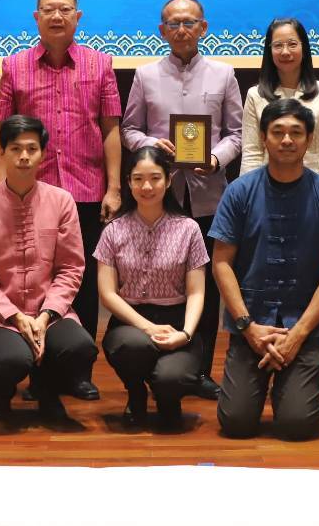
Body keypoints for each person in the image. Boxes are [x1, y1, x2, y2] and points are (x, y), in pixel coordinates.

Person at [0, 0, 121, 400]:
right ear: (36, 17)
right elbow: (2, 134)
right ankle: (38, 373)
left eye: (65, 9)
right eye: (49, 9)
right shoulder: (14, 66)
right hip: (32, 193)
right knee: (33, 280)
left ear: (77, 17)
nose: (57, 16)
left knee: (81, 281)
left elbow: (110, 129)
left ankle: (78, 372)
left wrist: (114, 187)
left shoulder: (100, 64)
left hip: (86, 190)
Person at [210, 97, 319, 441]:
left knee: (297, 425)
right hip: (251, 323)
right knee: (235, 423)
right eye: (278, 132)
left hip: (304, 327)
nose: (287, 140)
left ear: (310, 139)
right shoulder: (239, 192)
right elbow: (221, 263)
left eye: (296, 132)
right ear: (263, 137)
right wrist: (247, 327)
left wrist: (298, 335)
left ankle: (294, 390)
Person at [120, 0, 240, 400]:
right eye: (174, 23)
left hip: (209, 196)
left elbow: (237, 134)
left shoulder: (223, 74)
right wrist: (151, 145)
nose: (182, 30)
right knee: (160, 280)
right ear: (162, 30)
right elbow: (129, 130)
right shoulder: (145, 75)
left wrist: (217, 158)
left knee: (205, 286)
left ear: (203, 27)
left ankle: (199, 370)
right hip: (158, 195)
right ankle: (158, 362)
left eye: (189, 22)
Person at [0, 115, 98, 422]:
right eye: (15, 148)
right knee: (12, 359)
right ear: (1, 152)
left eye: (32, 149)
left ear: (43, 153)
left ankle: (47, 389)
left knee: (80, 348)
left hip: (50, 311)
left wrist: (46, 315)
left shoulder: (62, 201)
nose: (24, 156)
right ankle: (1, 392)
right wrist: (16, 316)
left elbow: (71, 268)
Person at [94, 147, 208, 429]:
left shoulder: (189, 229)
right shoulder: (113, 230)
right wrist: (148, 328)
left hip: (177, 321)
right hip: (130, 323)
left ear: (168, 180)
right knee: (133, 346)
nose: (146, 187)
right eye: (138, 179)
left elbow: (196, 292)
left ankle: (168, 397)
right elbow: (107, 294)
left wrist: (186, 334)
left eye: (155, 178)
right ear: (129, 182)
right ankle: (136, 393)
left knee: (173, 378)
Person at [241, 17, 319, 189]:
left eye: (292, 44)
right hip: (267, 189)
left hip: (315, 187)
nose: (285, 52)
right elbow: (251, 153)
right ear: (269, 51)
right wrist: (251, 193)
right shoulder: (255, 95)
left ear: (304, 48)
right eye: (278, 45)